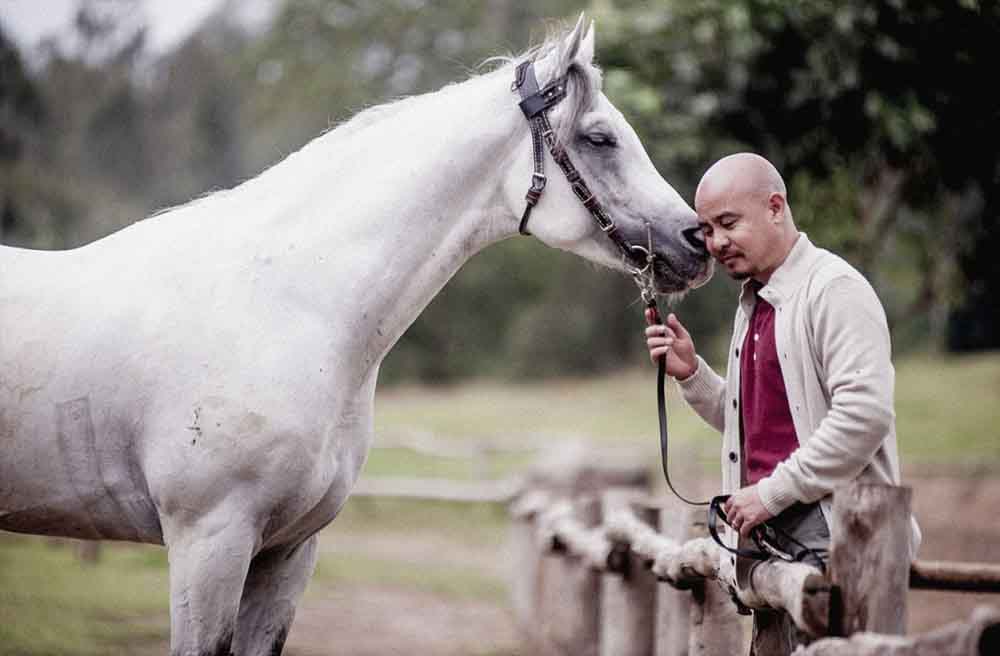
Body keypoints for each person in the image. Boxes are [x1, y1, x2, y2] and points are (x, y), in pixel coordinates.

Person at [644, 152, 920, 653]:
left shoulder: (834, 290)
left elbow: (864, 416)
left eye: (728, 223)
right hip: (774, 539)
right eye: (706, 229)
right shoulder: (754, 302)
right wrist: (693, 375)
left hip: (840, 537)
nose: (716, 243)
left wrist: (770, 493)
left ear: (775, 207)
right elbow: (754, 421)